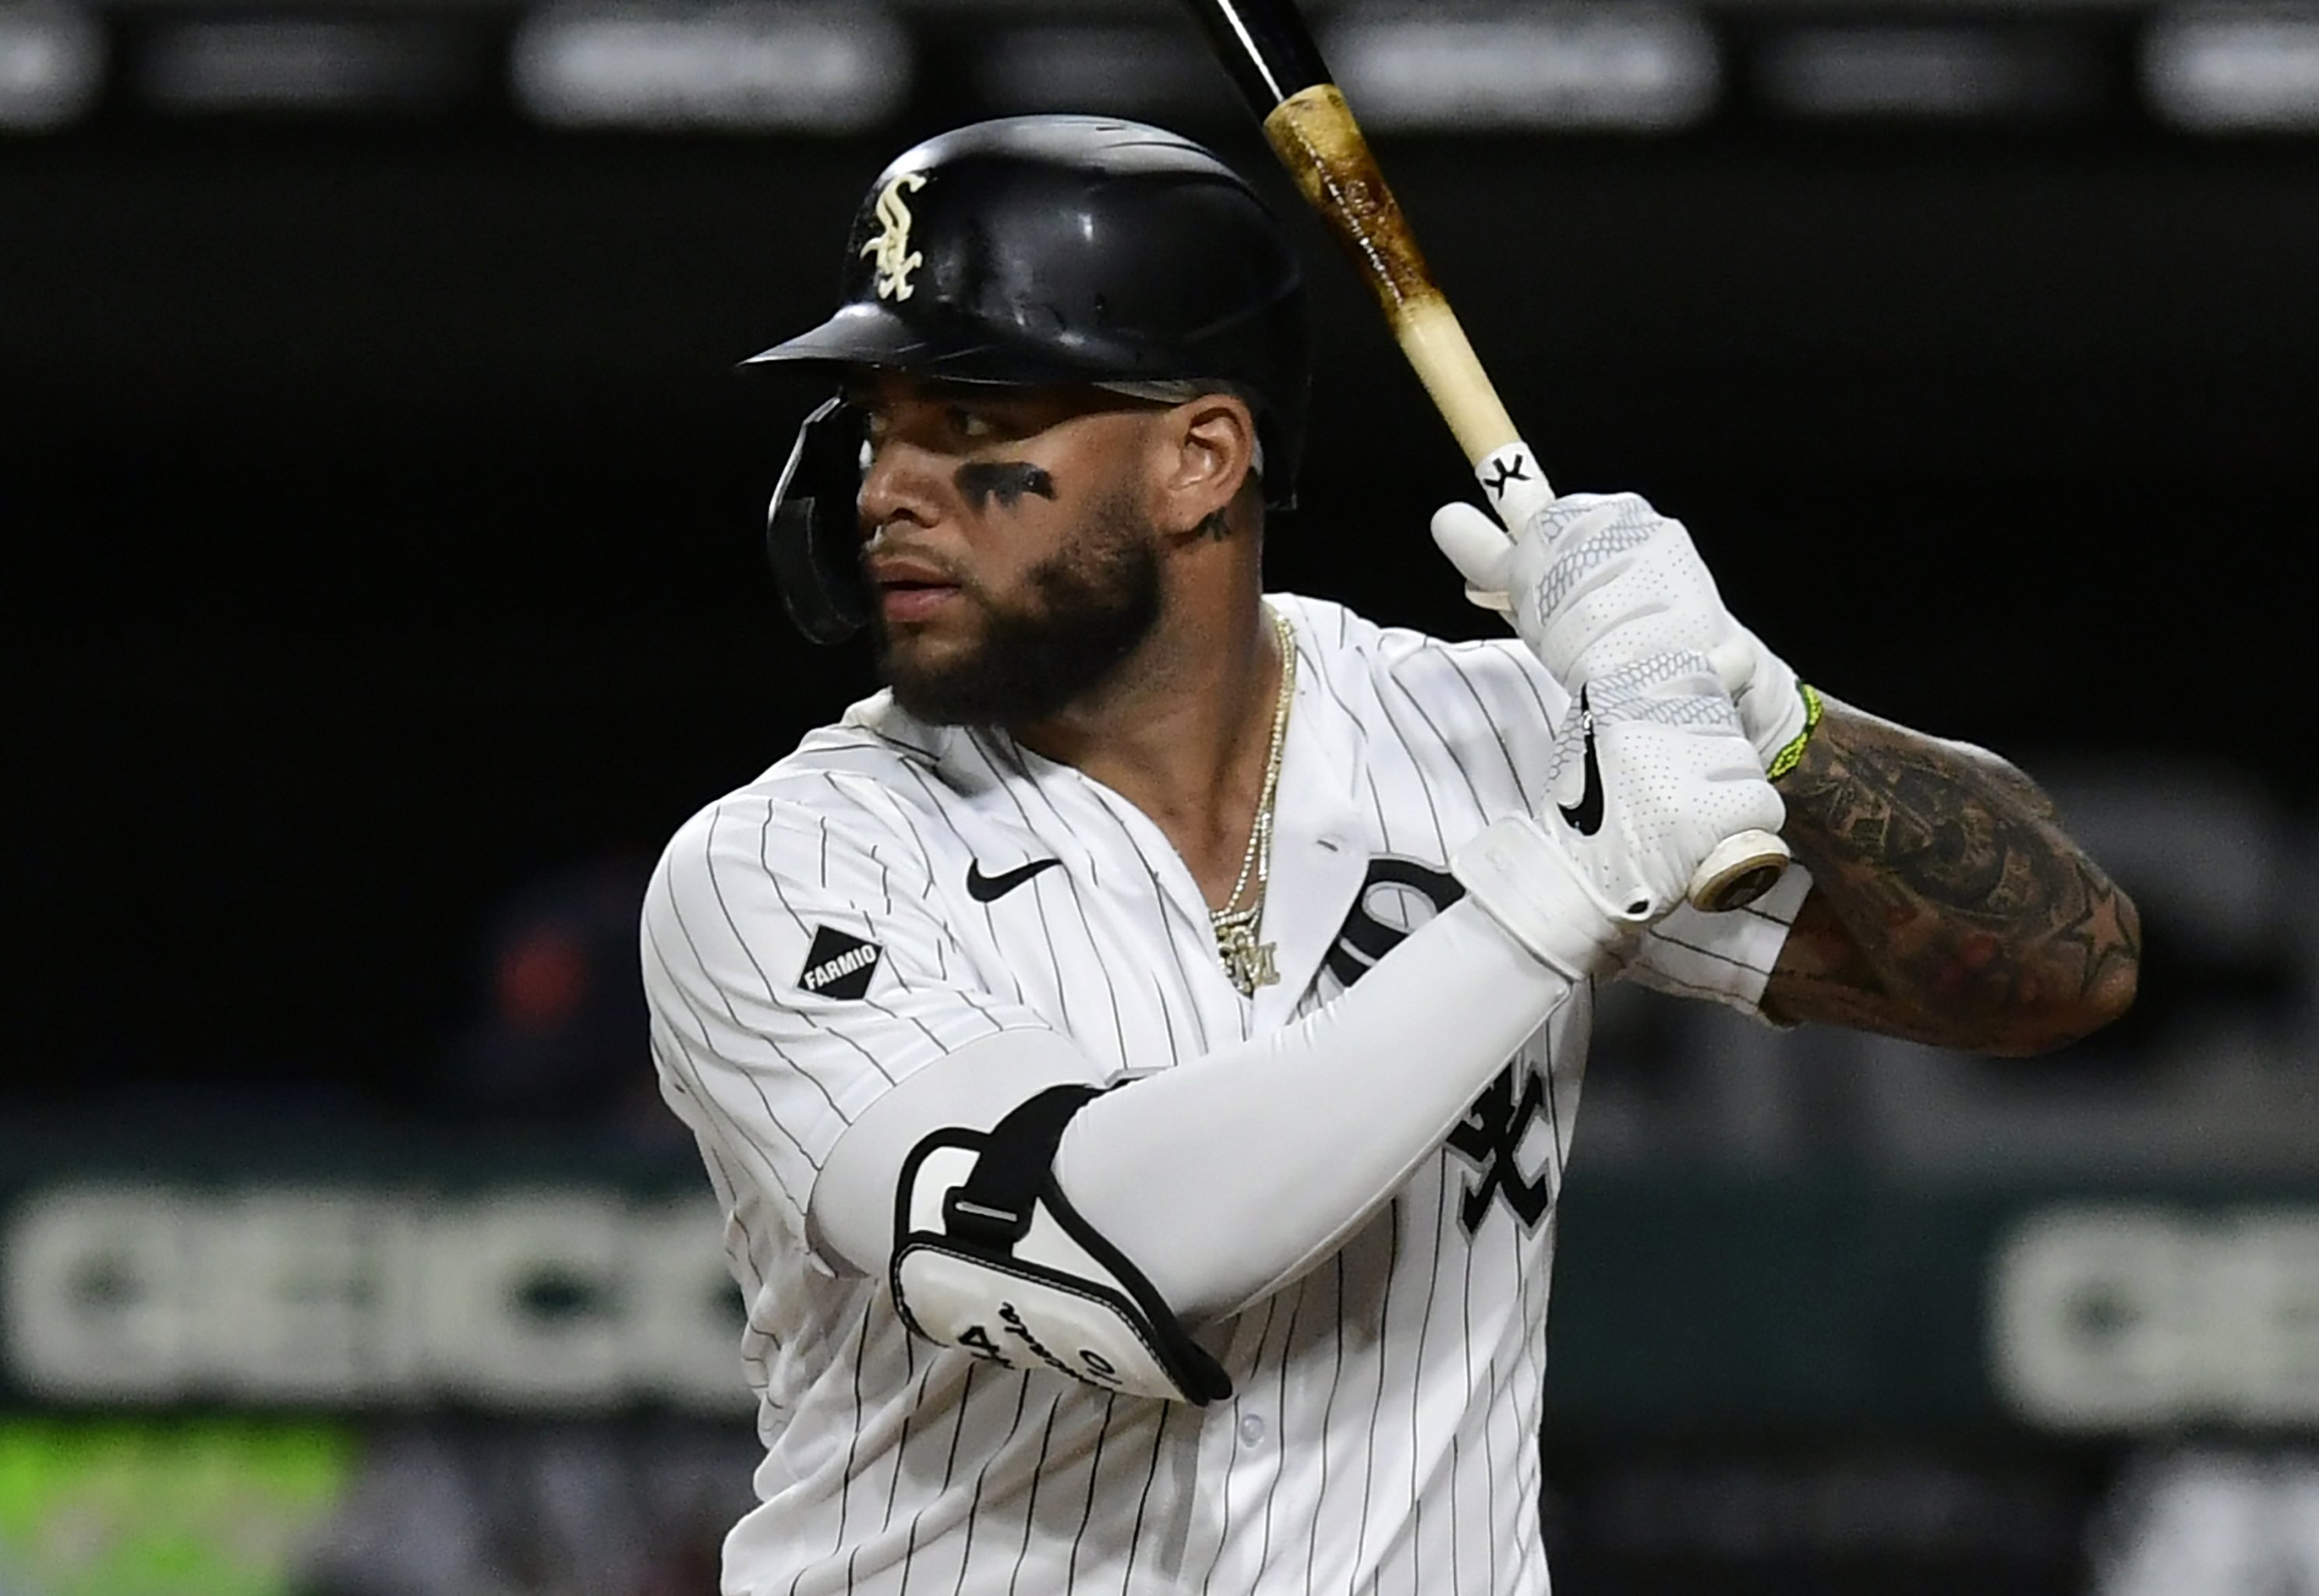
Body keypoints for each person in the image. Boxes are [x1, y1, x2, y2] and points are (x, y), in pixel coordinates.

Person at [639, 116, 2138, 1596]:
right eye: (876, 424)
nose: (886, 486)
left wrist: (1770, 711)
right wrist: (1563, 892)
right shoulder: (785, 865)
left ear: (1199, 461)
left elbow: (2059, 968)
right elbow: (1112, 1251)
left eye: (969, 426)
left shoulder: (1473, 739)